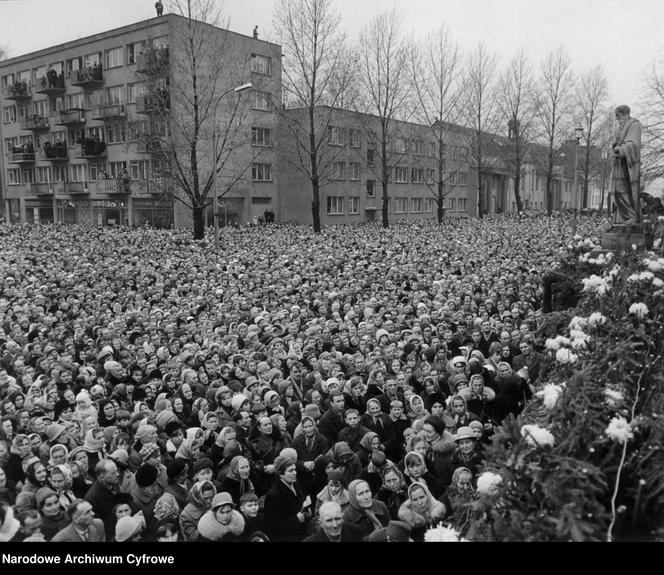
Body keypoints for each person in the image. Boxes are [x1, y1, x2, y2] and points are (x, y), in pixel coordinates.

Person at [263, 456, 311, 541]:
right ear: (281, 474)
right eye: (290, 471)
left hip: (301, 533)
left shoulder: (295, 483)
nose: (295, 473)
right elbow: (273, 527)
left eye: (295, 470)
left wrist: (306, 512)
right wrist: (296, 520)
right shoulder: (273, 496)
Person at [611, 105, 642, 227]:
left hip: (628, 165)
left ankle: (630, 216)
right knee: (617, 191)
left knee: (624, 190)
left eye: (618, 116)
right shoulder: (622, 127)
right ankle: (622, 217)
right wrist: (615, 146)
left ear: (624, 114)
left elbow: (634, 144)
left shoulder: (634, 124)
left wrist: (621, 149)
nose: (617, 119)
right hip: (619, 163)